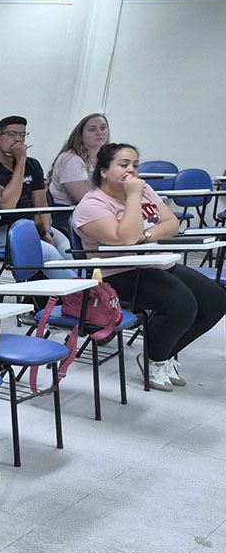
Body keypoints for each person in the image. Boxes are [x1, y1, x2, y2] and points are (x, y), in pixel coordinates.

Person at [72, 143, 226, 392]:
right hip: (119, 273)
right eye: (123, 165)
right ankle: (155, 359)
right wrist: (133, 197)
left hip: (156, 263)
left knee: (216, 301)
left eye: (135, 165)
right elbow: (125, 239)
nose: (131, 171)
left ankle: (163, 353)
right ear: (104, 171)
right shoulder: (92, 205)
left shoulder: (144, 189)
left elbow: (172, 223)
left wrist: (145, 235)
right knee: (183, 304)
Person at [0, 116, 73, 269]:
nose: (18, 139)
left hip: (32, 227)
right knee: (47, 253)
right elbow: (7, 203)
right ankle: (74, 286)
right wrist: (21, 162)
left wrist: (46, 233)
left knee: (67, 250)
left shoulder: (33, 165)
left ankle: (86, 285)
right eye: (12, 134)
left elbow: (41, 207)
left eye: (22, 135)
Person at [48, 112, 109, 207]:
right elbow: (86, 199)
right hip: (66, 211)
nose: (99, 132)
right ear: (80, 136)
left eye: (103, 128)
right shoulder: (70, 159)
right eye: (92, 129)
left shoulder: (106, 158)